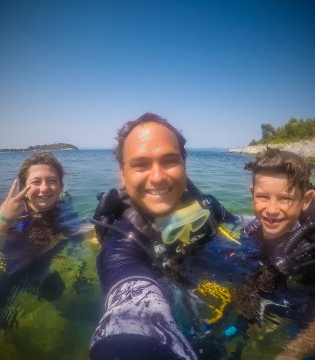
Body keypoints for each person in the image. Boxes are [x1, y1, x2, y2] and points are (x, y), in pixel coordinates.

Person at [89, 113, 238, 360]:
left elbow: (242, 228)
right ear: (123, 174)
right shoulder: (122, 246)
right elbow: (129, 316)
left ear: (184, 164)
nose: (157, 177)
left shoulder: (208, 207)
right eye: (140, 164)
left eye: (169, 161)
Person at [231, 147, 315, 359]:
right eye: (263, 197)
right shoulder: (251, 231)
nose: (272, 209)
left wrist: (291, 354)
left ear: (305, 200)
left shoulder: (312, 247)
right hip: (278, 283)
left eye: (285, 198)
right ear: (252, 194)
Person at [0, 151, 80, 328]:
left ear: (61, 186)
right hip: (8, 273)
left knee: (61, 296)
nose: (45, 188)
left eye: (52, 180)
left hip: (40, 269)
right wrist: (1, 225)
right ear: (23, 187)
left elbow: (78, 233)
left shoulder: (64, 209)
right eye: (36, 181)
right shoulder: (5, 213)